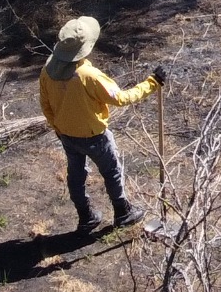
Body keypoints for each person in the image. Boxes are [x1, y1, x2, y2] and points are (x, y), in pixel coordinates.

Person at [38, 16, 163, 234]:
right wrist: (151, 83)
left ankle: (86, 217)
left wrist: (58, 128)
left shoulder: (47, 69)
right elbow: (121, 98)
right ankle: (123, 212)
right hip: (95, 136)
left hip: (66, 135)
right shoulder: (89, 75)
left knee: (76, 176)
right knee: (111, 171)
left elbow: (45, 105)